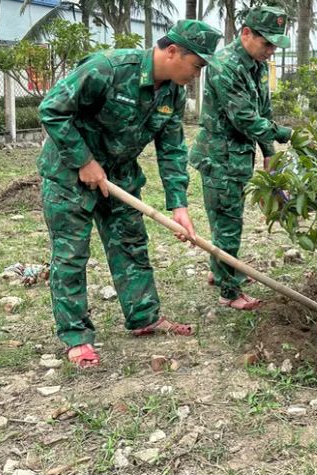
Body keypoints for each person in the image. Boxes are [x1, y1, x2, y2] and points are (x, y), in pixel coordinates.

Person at [38, 20, 223, 368]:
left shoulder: (172, 92)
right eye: (197, 64)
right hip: (68, 174)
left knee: (130, 244)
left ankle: (144, 316)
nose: (198, 74)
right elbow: (52, 109)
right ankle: (76, 336)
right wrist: (84, 161)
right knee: (72, 254)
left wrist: (178, 205)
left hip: (120, 177)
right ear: (172, 52)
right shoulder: (107, 69)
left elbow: (171, 150)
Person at [189, 5, 293, 311]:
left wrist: (269, 154)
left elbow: (264, 112)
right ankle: (229, 292)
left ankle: (220, 270)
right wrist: (286, 135)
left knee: (227, 221)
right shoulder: (226, 66)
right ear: (246, 33)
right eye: (267, 43)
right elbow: (246, 119)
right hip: (219, 159)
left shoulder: (256, 64)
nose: (271, 51)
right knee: (228, 224)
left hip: (238, 157)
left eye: (275, 45)